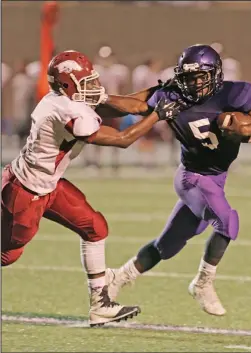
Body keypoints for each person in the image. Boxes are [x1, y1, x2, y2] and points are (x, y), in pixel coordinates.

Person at [1, 50, 184, 327]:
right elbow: (123, 139)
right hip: (26, 192)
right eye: (84, 80)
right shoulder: (66, 109)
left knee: (94, 227)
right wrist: (157, 115)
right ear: (66, 84)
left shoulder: (68, 97)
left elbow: (128, 105)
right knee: (8, 254)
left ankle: (100, 305)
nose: (92, 85)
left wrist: (159, 92)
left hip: (48, 185)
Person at [105, 44, 251, 317]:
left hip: (216, 179)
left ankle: (119, 277)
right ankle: (203, 283)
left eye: (201, 76)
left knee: (167, 245)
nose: (195, 83)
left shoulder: (235, 93)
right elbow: (135, 103)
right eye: (189, 77)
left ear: (215, 74)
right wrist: (98, 97)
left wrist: (246, 128)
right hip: (192, 178)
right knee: (227, 221)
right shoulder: (173, 95)